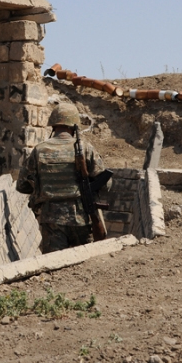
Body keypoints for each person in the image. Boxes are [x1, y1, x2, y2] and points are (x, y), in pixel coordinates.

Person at [16, 103, 111, 253]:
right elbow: (106, 185)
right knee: (83, 265)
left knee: (53, 267)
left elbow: (21, 186)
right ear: (74, 127)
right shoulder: (86, 148)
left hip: (51, 220)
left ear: (53, 126)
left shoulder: (39, 150)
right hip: (81, 218)